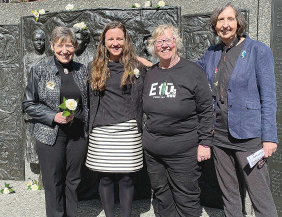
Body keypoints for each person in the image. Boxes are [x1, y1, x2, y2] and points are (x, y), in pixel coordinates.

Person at [196, 3, 278, 217]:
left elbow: (269, 97)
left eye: (230, 19)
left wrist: (269, 137)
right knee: (230, 196)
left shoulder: (258, 50)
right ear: (214, 26)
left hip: (248, 137)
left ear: (238, 22)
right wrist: (156, 66)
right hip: (220, 136)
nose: (225, 25)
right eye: (220, 20)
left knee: (260, 197)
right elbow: (187, 71)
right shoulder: (212, 53)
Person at [142, 25, 214, 217]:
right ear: (154, 47)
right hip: (153, 153)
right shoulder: (151, 74)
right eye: (159, 42)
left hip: (184, 152)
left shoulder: (193, 72)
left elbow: (207, 109)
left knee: (186, 198)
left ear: (176, 43)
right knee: (162, 197)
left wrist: (205, 143)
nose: (164, 45)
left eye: (169, 40)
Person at [22, 26, 88, 217]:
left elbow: (89, 103)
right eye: (60, 45)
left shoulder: (83, 71)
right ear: (52, 46)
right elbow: (28, 103)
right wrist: (53, 116)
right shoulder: (39, 71)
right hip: (50, 135)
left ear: (75, 46)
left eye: (69, 45)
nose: (64, 50)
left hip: (77, 137)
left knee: (73, 181)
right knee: (53, 182)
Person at [86, 21, 145, 217]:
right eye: (110, 39)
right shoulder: (94, 67)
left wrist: (148, 63)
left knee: (127, 179)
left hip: (128, 129)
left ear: (125, 40)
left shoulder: (136, 67)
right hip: (102, 132)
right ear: (104, 42)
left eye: (119, 38)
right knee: (104, 179)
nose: (115, 43)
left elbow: (159, 75)